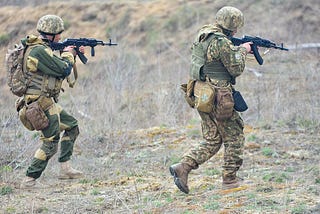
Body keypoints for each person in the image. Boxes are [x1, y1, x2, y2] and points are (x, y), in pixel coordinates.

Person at [169, 6, 252, 194]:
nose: (237, 30)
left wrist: (236, 49)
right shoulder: (222, 42)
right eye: (236, 26)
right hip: (218, 97)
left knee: (213, 139)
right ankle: (230, 180)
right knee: (234, 136)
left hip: (202, 93)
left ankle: (183, 167)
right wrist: (244, 50)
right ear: (232, 26)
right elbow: (236, 68)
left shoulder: (204, 34)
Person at [19, 15, 84, 187]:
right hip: (41, 104)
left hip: (47, 102)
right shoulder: (38, 51)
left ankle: (66, 168)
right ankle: (30, 179)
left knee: (72, 126)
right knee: (50, 142)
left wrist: (71, 53)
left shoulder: (41, 48)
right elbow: (63, 69)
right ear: (51, 34)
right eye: (59, 35)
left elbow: (57, 66)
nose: (61, 37)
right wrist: (70, 54)